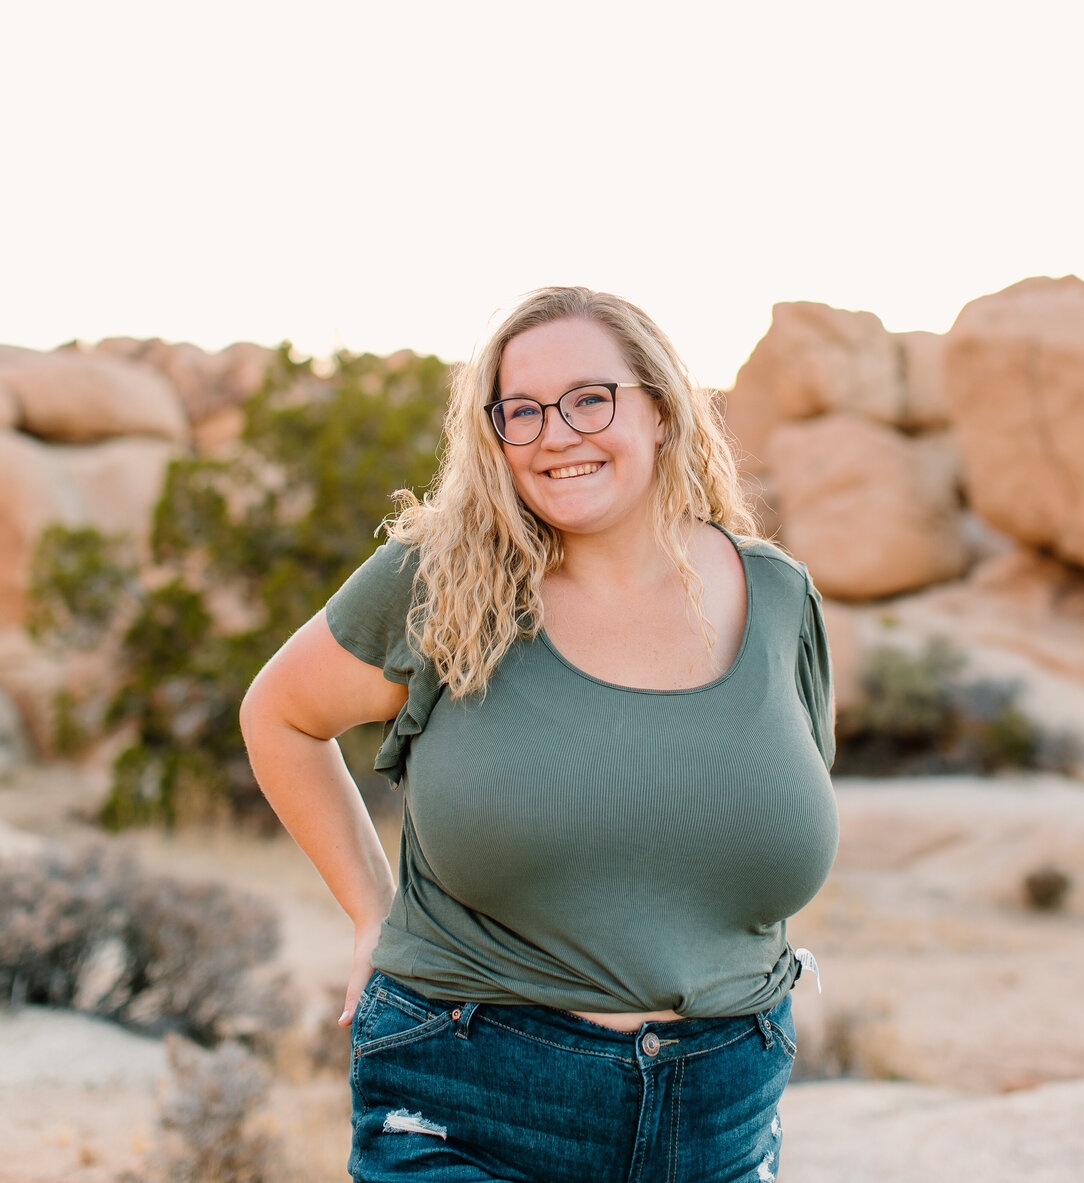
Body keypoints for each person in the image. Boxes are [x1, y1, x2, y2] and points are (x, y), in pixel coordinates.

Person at [239, 286, 838, 1182]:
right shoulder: (438, 579)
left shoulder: (778, 597)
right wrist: (371, 910)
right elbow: (279, 714)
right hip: (470, 1092)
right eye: (522, 412)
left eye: (590, 398)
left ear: (663, 410)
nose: (556, 433)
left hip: (720, 1114)